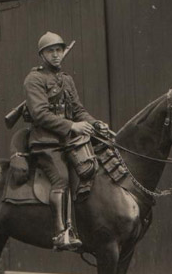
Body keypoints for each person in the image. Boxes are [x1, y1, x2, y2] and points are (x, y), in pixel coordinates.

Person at [23, 31, 108, 251]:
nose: (56, 55)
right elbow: (40, 114)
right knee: (61, 178)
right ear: (42, 55)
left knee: (91, 168)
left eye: (59, 50)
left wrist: (95, 123)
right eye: (50, 51)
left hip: (68, 141)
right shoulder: (34, 79)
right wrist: (72, 126)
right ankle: (61, 232)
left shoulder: (66, 80)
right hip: (45, 143)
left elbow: (78, 110)